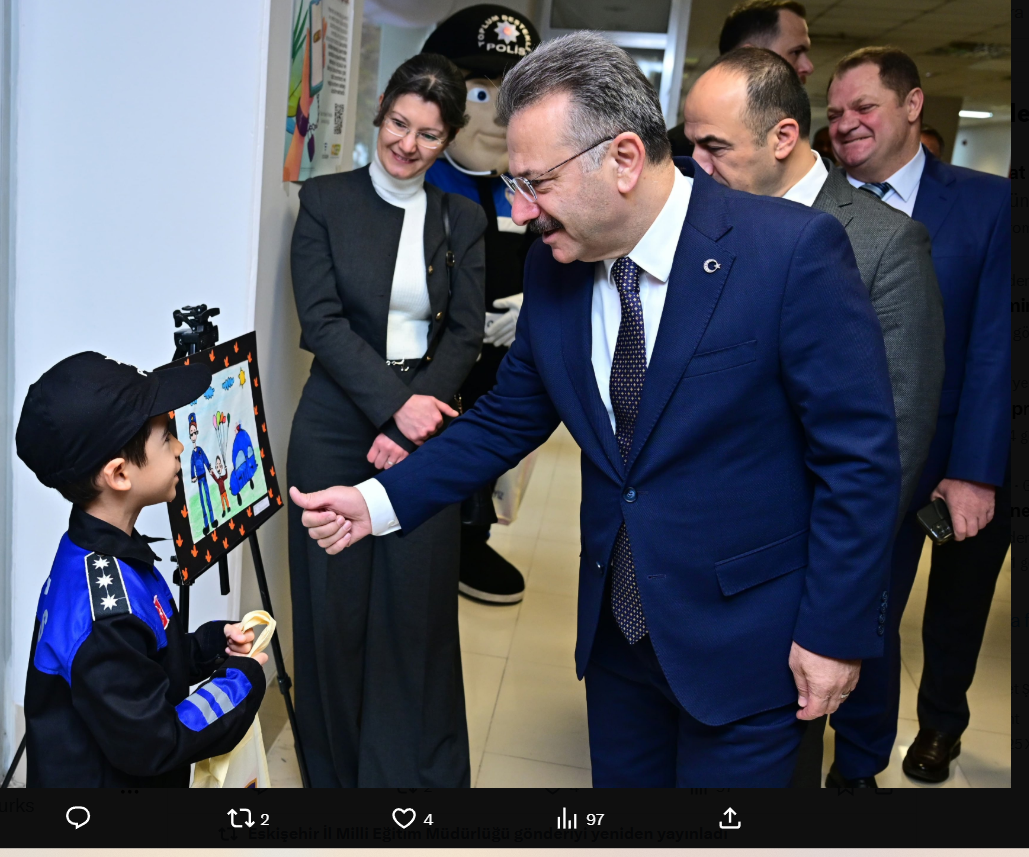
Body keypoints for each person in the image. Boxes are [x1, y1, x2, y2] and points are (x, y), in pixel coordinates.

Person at [293, 33, 901, 787]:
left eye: (537, 183)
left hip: (748, 647)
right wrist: (374, 502)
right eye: (515, 183)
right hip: (620, 641)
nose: (521, 210)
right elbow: (506, 419)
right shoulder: (559, 270)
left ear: (622, 159)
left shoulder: (789, 252)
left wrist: (834, 633)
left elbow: (858, 460)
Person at [682, 47, 947, 786]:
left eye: (713, 147)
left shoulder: (884, 244)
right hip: (695, 552)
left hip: (796, 564)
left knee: (776, 760)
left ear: (782, 137)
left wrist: (824, 588)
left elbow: (892, 439)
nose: (696, 166)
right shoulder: (702, 218)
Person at [287, 53, 487, 787]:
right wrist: (390, 406)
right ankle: (335, 780)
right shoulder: (323, 201)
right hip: (335, 422)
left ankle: (406, 781)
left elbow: (465, 334)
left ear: (448, 139)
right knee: (333, 612)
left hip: (425, 424)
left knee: (415, 611)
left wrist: (408, 423)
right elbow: (321, 322)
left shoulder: (463, 218)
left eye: (429, 134)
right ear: (379, 112)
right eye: (399, 123)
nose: (408, 143)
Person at [828, 46, 1011, 786]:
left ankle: (930, 726)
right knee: (860, 607)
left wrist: (973, 471)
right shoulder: (811, 201)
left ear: (911, 106)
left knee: (944, 608)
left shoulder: (988, 204)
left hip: (952, 451)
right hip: (851, 454)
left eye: (863, 107)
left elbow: (996, 342)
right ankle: (849, 760)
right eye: (834, 112)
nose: (845, 123)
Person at [14, 352, 267, 787]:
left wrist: (210, 646)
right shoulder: (106, 615)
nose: (180, 448)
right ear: (118, 474)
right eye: (167, 437)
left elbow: (144, 662)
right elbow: (156, 741)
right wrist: (242, 682)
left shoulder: (104, 553)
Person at [421, 4, 541, 605]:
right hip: (437, 366)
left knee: (498, 451)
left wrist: (530, 309)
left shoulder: (520, 186)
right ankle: (439, 537)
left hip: (503, 365)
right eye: (480, 94)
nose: (497, 117)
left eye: (513, 97)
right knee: (441, 446)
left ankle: (475, 534)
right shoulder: (425, 184)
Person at [669, 0, 814, 156]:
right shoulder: (672, 155)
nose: (808, 66)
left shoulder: (796, 143)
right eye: (796, 52)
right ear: (751, 57)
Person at [187, 412, 218, 532]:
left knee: (208, 497)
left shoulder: (200, 450)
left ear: (197, 433)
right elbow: (191, 466)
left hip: (204, 477)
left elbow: (205, 459)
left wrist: (209, 467)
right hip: (199, 479)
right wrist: (193, 476)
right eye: (191, 433)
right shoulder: (193, 454)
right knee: (202, 500)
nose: (193, 435)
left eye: (194, 432)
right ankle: (206, 524)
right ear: (190, 436)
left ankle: (212, 520)